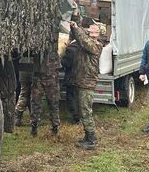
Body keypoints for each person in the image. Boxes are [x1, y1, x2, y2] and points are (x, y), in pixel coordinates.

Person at [69, 21, 103, 150]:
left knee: (86, 111)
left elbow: (84, 41)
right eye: (91, 29)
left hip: (88, 82)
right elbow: (79, 38)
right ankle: (87, 136)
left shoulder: (97, 45)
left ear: (99, 33)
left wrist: (77, 29)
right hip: (81, 80)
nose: (92, 31)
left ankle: (92, 139)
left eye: (96, 30)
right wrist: (74, 28)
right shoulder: (85, 40)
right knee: (83, 111)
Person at [29, 42, 61, 137]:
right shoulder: (36, 42)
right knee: (35, 102)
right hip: (38, 75)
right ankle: (34, 127)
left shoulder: (53, 45)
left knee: (53, 102)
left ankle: (55, 127)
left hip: (51, 76)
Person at [14, 55, 33, 126]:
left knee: (23, 94)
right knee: (33, 96)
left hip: (23, 73)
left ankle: (17, 118)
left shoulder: (22, 50)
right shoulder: (37, 49)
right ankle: (33, 120)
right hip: (32, 72)